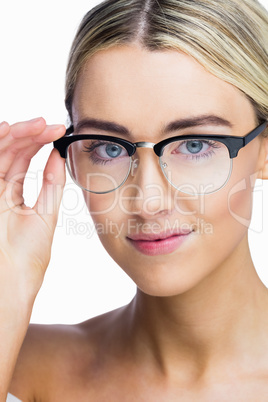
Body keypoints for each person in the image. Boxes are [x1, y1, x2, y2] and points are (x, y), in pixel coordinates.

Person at [2, 0, 268, 400]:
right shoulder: (19, 368)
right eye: (109, 149)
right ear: (71, 160)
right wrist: (8, 284)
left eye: (194, 145)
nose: (147, 201)